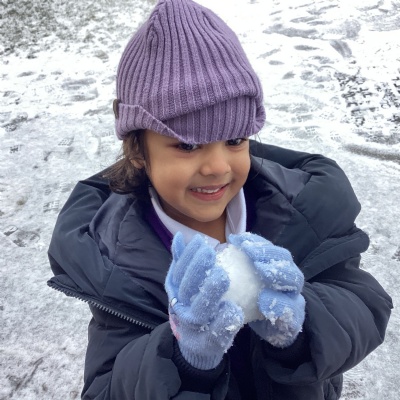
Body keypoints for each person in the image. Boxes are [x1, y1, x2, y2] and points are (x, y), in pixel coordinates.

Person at [47, 0, 393, 399]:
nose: (217, 167)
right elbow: (107, 388)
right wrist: (182, 359)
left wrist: (302, 324)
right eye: (188, 145)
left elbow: (365, 304)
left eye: (234, 140)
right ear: (138, 151)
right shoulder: (115, 258)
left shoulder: (302, 212)